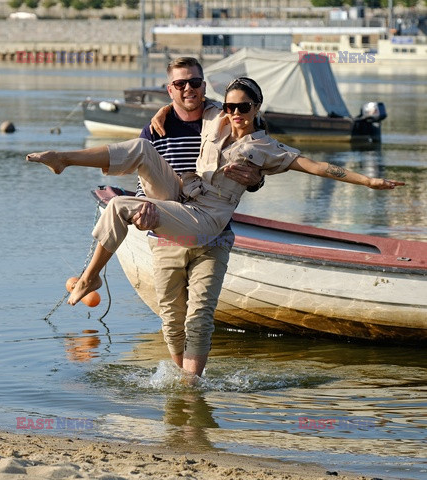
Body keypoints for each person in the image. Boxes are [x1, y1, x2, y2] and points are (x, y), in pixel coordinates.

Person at [26, 77, 404, 377]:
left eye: (243, 107)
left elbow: (319, 168)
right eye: (230, 106)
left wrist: (369, 182)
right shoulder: (215, 118)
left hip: (208, 219)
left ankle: (91, 277)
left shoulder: (266, 147)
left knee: (123, 205)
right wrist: (161, 110)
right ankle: (64, 158)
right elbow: (185, 97)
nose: (235, 112)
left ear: (256, 109)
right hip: (182, 197)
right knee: (142, 149)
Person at [131, 57, 263, 378]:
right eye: (180, 84)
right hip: (167, 234)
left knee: (200, 316)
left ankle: (190, 390)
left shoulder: (225, 121)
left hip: (213, 234)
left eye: (195, 82)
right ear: (169, 89)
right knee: (172, 320)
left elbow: (257, 156)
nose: (188, 88)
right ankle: (184, 380)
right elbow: (142, 183)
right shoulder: (154, 130)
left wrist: (255, 178)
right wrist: (142, 207)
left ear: (204, 86)